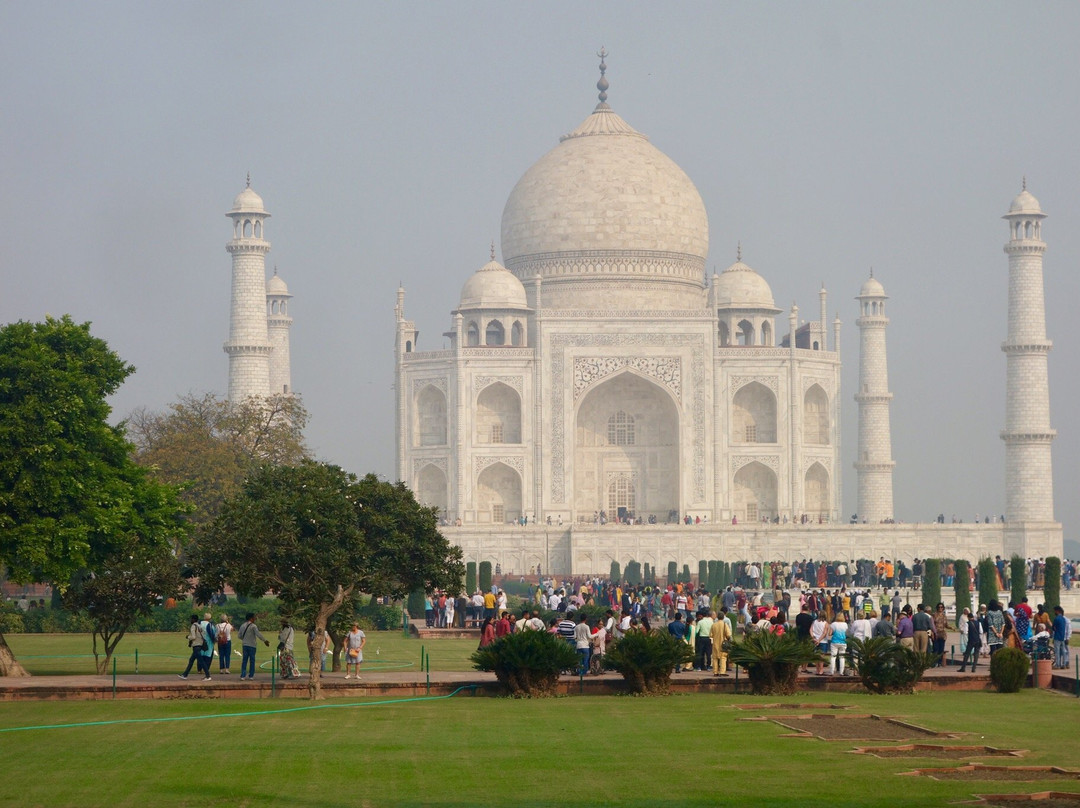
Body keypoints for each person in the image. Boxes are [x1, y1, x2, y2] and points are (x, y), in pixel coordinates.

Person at [237, 612, 270, 680]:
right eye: (254, 617)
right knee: (252, 661)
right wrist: (264, 640)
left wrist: (245, 639)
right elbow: (258, 634)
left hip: (245, 645)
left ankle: (243, 675)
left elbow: (239, 636)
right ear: (251, 618)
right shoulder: (253, 626)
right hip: (252, 645)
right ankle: (251, 675)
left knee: (244, 660)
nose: (255, 618)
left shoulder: (242, 626)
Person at [178, 613, 208, 680]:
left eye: (191, 619)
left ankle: (208, 675)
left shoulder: (193, 626)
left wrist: (188, 637)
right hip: (200, 644)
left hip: (196, 645)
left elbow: (193, 637)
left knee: (201, 661)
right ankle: (185, 674)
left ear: (193, 619)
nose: (190, 620)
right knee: (191, 660)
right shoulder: (199, 626)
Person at [810, 610, 831, 675]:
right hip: (823, 641)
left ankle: (817, 670)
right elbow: (824, 633)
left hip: (815, 640)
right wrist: (819, 640)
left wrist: (813, 637)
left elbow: (810, 630)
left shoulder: (814, 622)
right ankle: (821, 670)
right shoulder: (826, 623)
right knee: (821, 656)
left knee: (816, 656)